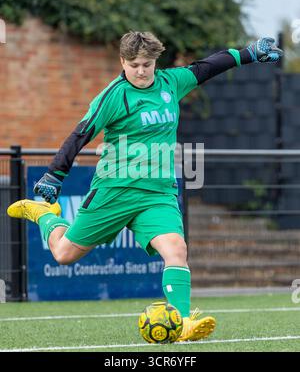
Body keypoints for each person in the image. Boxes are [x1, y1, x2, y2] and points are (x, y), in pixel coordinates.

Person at [7, 32, 283, 342]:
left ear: (156, 63)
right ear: (123, 62)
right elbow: (80, 134)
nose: (141, 71)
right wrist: (55, 175)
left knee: (177, 250)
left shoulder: (170, 83)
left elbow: (206, 67)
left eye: (147, 64)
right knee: (63, 254)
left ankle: (180, 324)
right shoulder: (114, 96)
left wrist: (248, 53)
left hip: (158, 194)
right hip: (115, 192)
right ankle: (45, 214)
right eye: (135, 64)